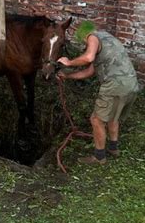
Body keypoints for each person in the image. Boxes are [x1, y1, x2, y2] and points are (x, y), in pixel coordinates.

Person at [57, 20, 139, 165]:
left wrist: (69, 62)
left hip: (115, 85)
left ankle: (99, 157)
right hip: (131, 84)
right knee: (114, 116)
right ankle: (114, 148)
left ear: (83, 35)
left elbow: (88, 58)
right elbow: (90, 71)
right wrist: (68, 76)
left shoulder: (92, 37)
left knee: (96, 120)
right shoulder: (108, 39)